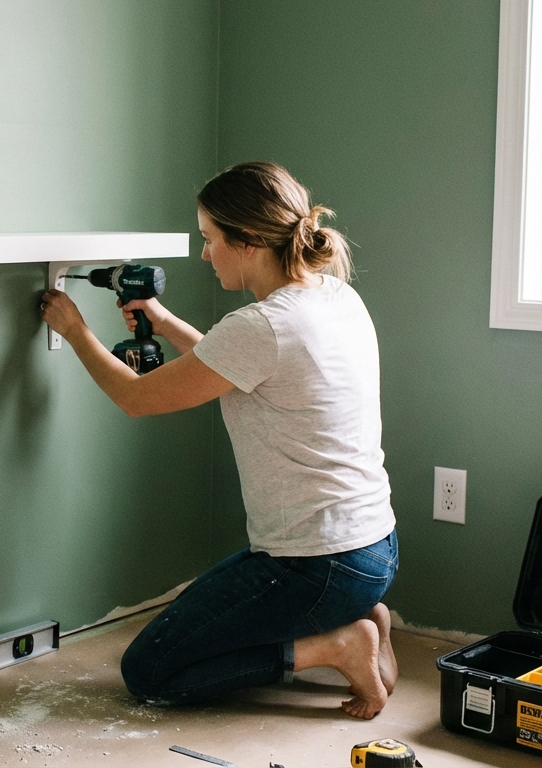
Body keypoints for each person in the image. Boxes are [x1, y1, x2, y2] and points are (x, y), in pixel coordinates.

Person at [39, 161, 398, 720]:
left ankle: (339, 644)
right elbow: (238, 366)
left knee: (151, 672)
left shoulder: (263, 326)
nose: (205, 254)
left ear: (249, 242)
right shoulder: (332, 295)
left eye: (210, 239)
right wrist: (161, 321)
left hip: (313, 565)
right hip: (372, 549)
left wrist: (75, 330)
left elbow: (136, 398)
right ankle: (365, 616)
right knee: (203, 628)